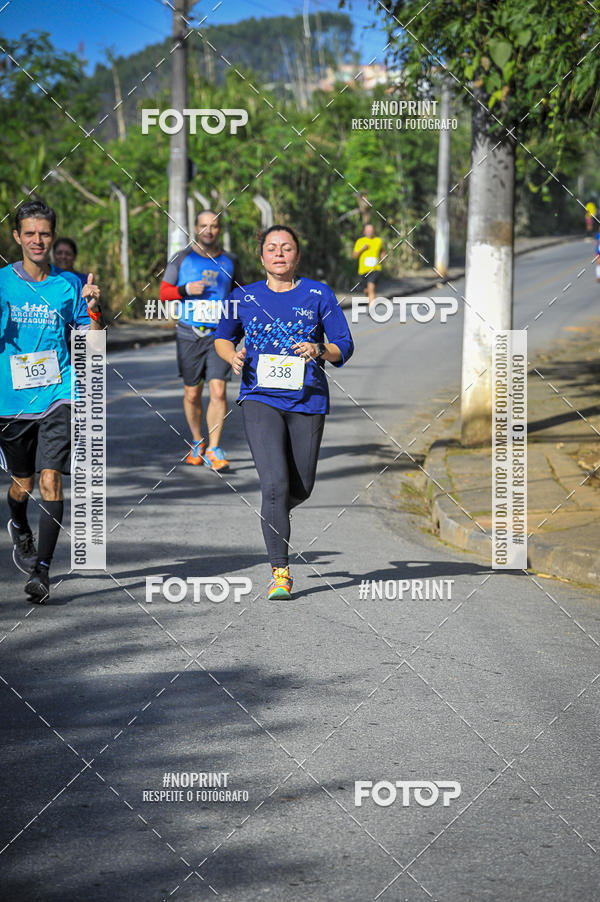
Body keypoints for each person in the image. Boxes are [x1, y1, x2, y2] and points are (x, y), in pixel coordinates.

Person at [215, 225, 354, 600]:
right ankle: (280, 571)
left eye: (287, 248)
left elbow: (344, 345)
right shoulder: (242, 296)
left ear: (297, 256)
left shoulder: (318, 293)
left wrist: (319, 350)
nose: (279, 254)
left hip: (308, 401)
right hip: (260, 398)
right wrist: (234, 356)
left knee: (300, 486)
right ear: (261, 256)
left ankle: (275, 511)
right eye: (272, 248)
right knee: (274, 484)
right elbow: (222, 337)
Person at [0, 200, 103, 603]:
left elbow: (89, 337)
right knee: (22, 484)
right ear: (17, 237)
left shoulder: (69, 284)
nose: (37, 240)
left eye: (44, 233)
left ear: (53, 236)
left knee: (50, 479)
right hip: (11, 400)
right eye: (30, 233)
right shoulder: (3, 282)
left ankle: (42, 570)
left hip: (60, 393)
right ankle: (19, 525)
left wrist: (93, 311)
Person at [159, 210, 242, 471]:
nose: (209, 230)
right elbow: (163, 293)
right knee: (192, 393)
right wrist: (185, 290)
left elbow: (240, 293)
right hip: (189, 333)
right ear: (196, 228)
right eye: (204, 225)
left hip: (220, 335)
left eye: (214, 226)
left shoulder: (230, 260)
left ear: (219, 230)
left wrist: (242, 325)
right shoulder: (182, 258)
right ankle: (197, 441)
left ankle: (215, 448)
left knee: (218, 390)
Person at [353, 223, 384, 306]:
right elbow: (355, 256)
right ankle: (372, 298)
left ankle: (372, 309)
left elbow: (382, 250)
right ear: (364, 231)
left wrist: (383, 257)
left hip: (375, 269)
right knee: (366, 290)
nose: (370, 232)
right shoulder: (360, 241)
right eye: (368, 230)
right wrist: (362, 249)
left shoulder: (378, 240)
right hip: (363, 270)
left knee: (371, 288)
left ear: (374, 231)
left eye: (371, 230)